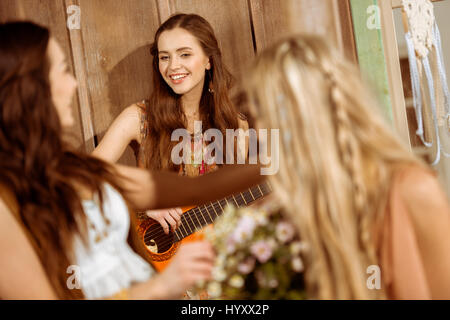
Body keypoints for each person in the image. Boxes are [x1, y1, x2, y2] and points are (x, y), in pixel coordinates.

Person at [0, 21, 262, 300]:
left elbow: (200, 189)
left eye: (184, 54)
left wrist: (291, 156)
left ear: (210, 61)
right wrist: (161, 286)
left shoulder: (72, 168)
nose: (74, 83)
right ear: (30, 89)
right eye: (63, 71)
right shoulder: (7, 200)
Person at [238, 35, 450, 299]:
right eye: (256, 110)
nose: (258, 128)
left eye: (265, 109)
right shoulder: (285, 211)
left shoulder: (411, 190)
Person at [92, 13, 249, 235]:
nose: (173, 66)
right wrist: (144, 204)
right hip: (153, 254)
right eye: (165, 57)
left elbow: (241, 203)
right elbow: (83, 176)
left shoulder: (235, 124)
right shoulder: (138, 118)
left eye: (184, 54)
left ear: (208, 60)